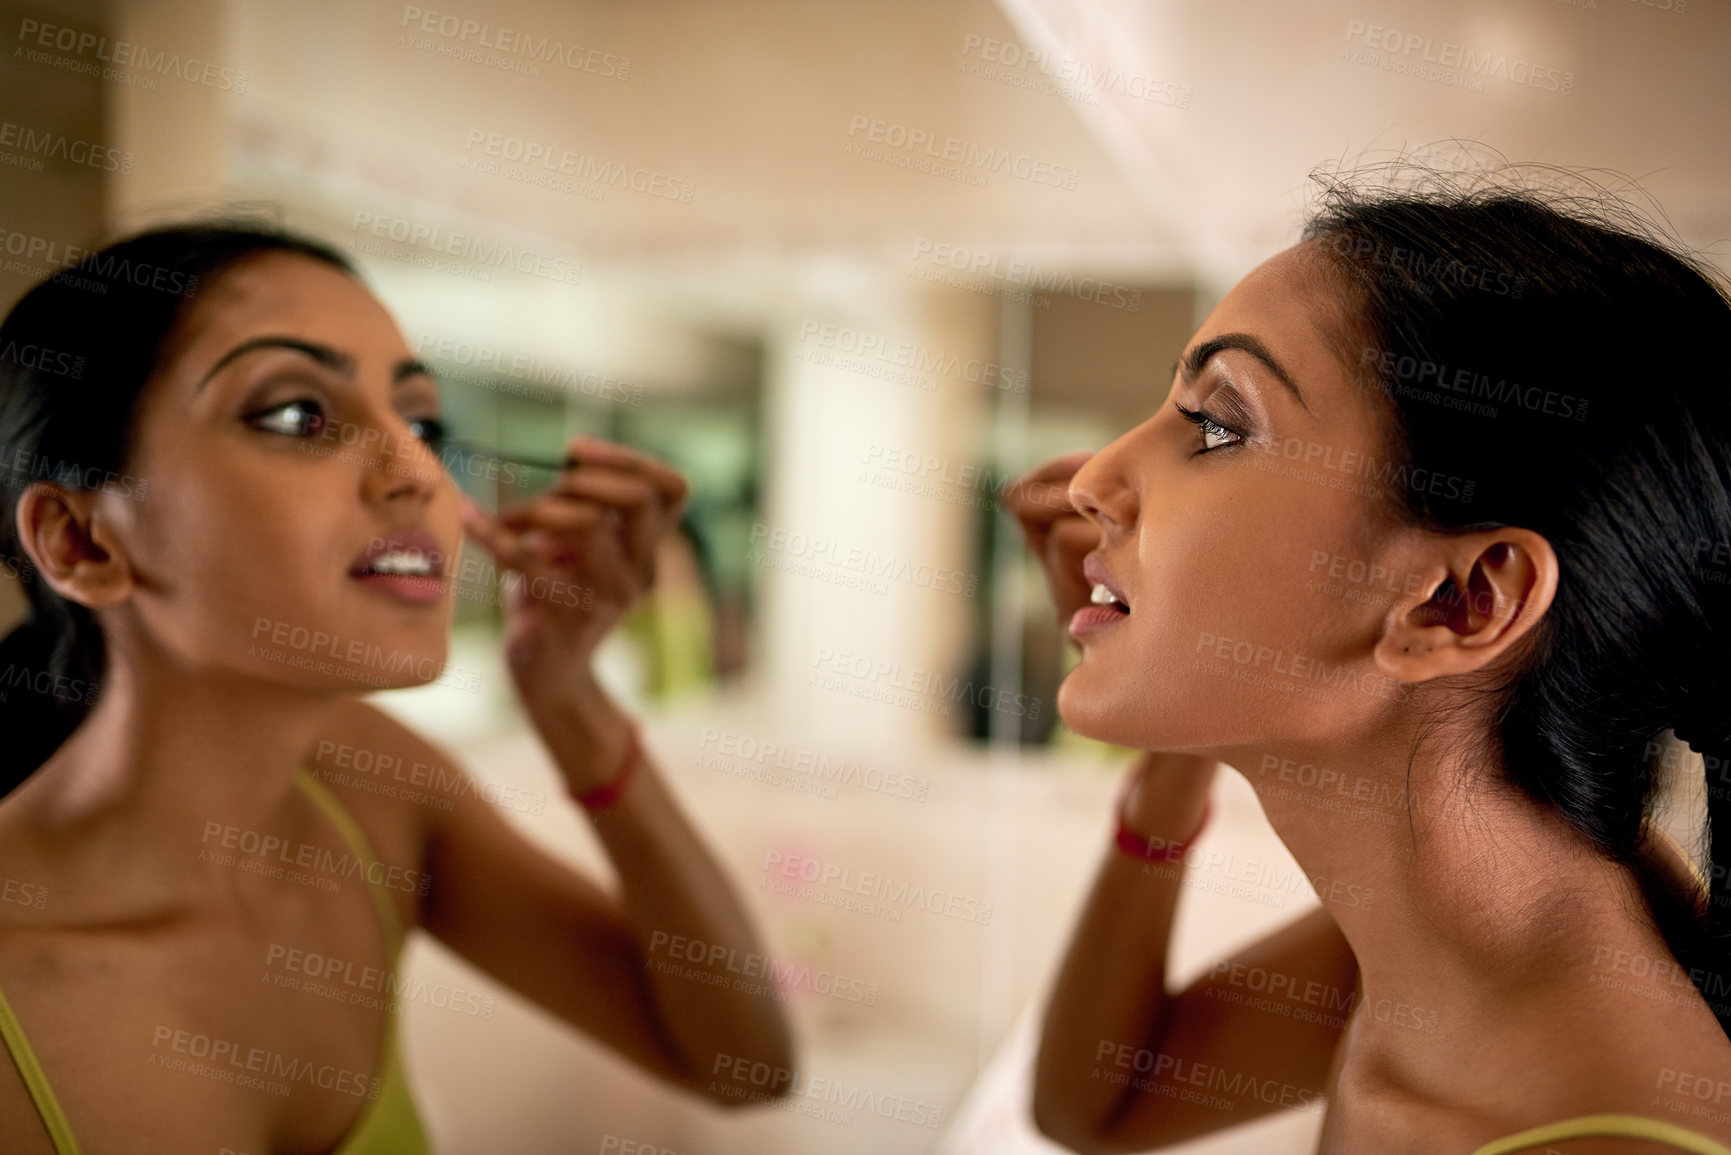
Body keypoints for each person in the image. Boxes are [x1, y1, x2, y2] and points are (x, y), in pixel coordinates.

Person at [0, 223, 794, 1154]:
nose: (417, 472)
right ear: (80, 542)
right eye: (296, 415)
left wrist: (566, 693)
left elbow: (743, 1065)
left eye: (420, 423)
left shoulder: (373, 792)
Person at [1011, 168, 1731, 1154]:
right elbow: (1101, 1105)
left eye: (1220, 426)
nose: (1094, 478)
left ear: (1460, 602)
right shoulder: (1484, 927)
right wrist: (1171, 757)